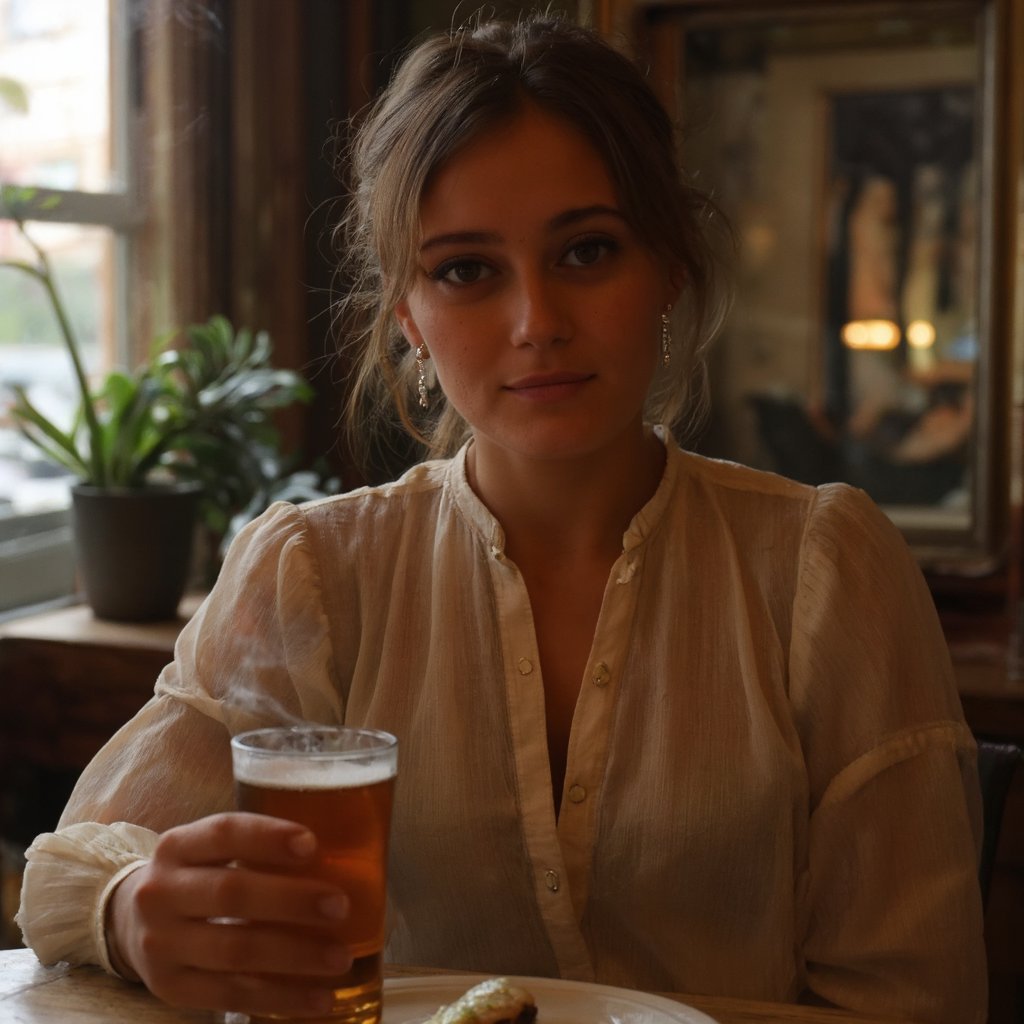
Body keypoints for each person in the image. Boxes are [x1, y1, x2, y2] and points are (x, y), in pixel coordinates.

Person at [17, 12, 986, 1024]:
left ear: (668, 266)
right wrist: (136, 909)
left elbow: (913, 998)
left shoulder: (821, 567)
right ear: (408, 318)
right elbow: (68, 872)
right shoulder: (314, 571)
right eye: (466, 270)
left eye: (586, 251)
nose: (536, 323)